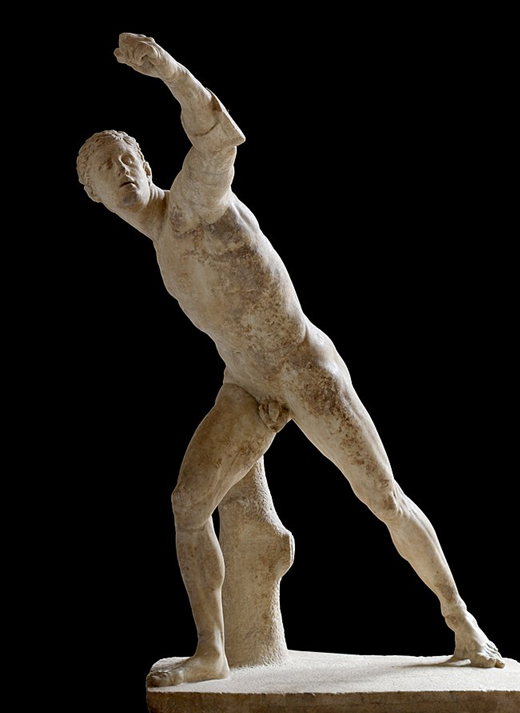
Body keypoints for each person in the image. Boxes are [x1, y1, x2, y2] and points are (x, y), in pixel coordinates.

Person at [77, 33, 505, 685]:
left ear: (145, 161)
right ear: (94, 196)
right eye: (105, 169)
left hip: (303, 367)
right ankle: (211, 651)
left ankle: (463, 622)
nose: (122, 171)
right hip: (247, 386)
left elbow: (216, 138)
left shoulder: (192, 202)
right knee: (188, 504)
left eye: (126, 157)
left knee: (383, 496)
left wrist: (166, 69)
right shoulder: (162, 245)